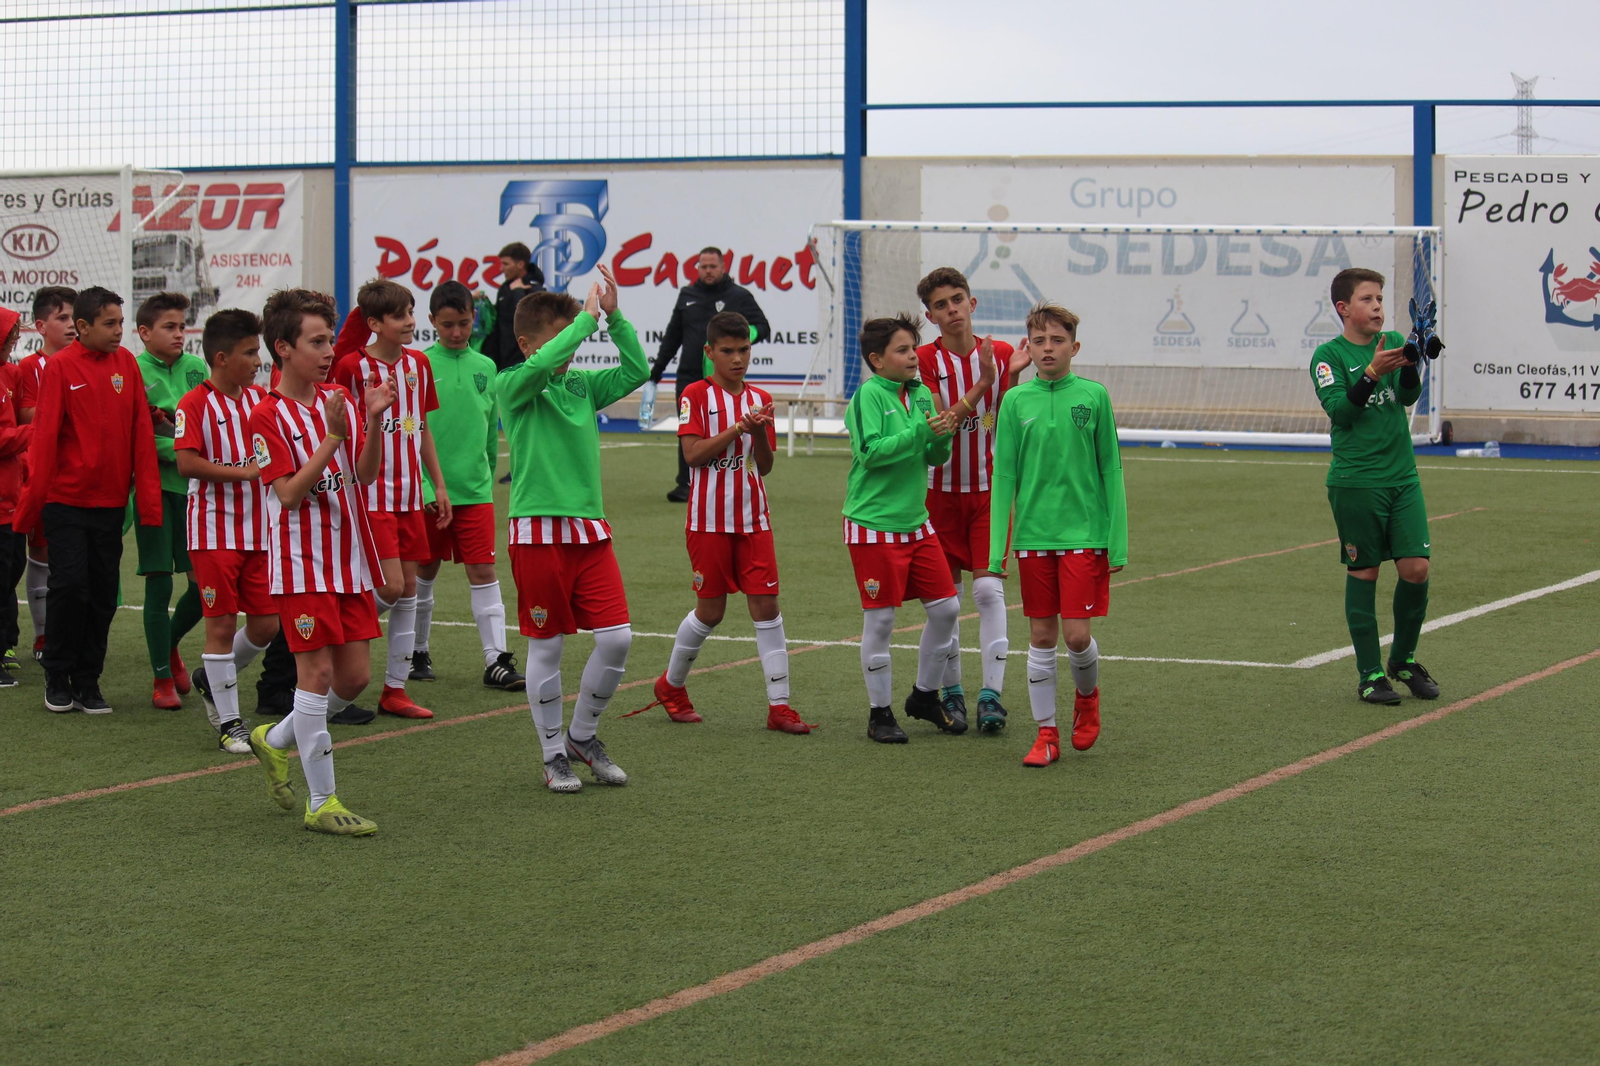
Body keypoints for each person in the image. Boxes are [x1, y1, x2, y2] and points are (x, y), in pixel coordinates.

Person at [246, 287, 395, 836]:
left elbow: (366, 474)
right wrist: (332, 438)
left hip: (349, 560)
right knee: (317, 674)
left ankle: (274, 738)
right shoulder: (266, 416)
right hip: (302, 563)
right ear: (283, 349)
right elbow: (287, 494)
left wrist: (372, 421)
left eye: (329, 339)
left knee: (353, 679)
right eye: (316, 341)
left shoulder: (341, 399)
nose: (329, 350)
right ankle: (322, 802)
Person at [497, 265, 641, 793]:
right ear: (526, 342)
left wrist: (615, 317)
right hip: (536, 532)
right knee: (547, 645)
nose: (571, 346)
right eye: (557, 337)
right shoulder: (511, 383)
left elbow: (636, 370)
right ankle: (552, 753)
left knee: (619, 639)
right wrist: (584, 322)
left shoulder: (581, 384)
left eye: (573, 335)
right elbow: (545, 363)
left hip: (589, 530)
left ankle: (583, 736)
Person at [633, 311, 811, 734]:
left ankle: (780, 707)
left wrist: (761, 432)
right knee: (711, 612)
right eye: (727, 351)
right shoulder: (696, 393)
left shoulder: (760, 397)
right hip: (708, 521)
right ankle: (671, 687)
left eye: (744, 350)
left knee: (767, 608)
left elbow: (763, 467)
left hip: (754, 520)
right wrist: (737, 429)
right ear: (709, 352)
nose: (737, 358)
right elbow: (693, 455)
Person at [989, 302, 1127, 768]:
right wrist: (996, 549)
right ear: (1028, 346)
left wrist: (1117, 540)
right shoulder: (1014, 401)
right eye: (1039, 340)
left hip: (1084, 535)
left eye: (1057, 340)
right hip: (1032, 536)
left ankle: (1087, 699)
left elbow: (1111, 468)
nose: (1048, 348)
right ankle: (1046, 734)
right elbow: (1004, 475)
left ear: (1075, 346)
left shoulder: (1094, 396)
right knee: (1042, 636)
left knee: (1076, 636)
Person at [13, 287, 162, 714]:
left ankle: (88, 679)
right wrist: (30, 506)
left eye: (120, 323)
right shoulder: (60, 367)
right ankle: (57, 675)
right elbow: (42, 439)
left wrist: (147, 500)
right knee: (70, 587)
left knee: (102, 593)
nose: (120, 331)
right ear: (83, 327)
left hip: (111, 503)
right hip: (65, 501)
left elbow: (140, 433)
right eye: (110, 324)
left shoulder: (126, 367)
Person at [1310, 267, 1438, 706]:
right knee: (1364, 570)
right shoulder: (1327, 356)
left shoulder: (1393, 340)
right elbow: (1342, 414)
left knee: (1416, 569)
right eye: (1368, 299)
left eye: (1380, 298)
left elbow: (1406, 397)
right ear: (1344, 308)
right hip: (1356, 481)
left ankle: (1403, 661)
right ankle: (1370, 675)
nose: (1378, 305)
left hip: (1402, 477)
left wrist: (1409, 363)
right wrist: (1369, 373)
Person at [915, 266, 1030, 735]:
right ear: (930, 315)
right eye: (941, 304)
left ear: (972, 303)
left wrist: (1010, 380)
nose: (952, 309)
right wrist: (985, 382)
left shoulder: (1002, 354)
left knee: (987, 590)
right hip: (936, 496)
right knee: (946, 601)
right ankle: (953, 694)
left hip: (987, 494)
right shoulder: (922, 361)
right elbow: (941, 422)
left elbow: (1002, 422)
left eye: (957, 299)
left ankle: (990, 696)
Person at [331, 279, 451, 720]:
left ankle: (394, 689)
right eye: (399, 315)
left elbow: (421, 429)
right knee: (391, 587)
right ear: (374, 323)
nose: (410, 322)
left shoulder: (418, 364)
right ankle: (339, 628)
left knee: (409, 593)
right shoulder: (350, 366)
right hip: (369, 495)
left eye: (410, 312)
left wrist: (436, 485)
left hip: (407, 495)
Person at [842, 313, 962, 744]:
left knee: (947, 608)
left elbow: (931, 457)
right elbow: (872, 453)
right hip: (873, 525)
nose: (913, 356)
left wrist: (942, 436)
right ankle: (879, 714)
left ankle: (924, 697)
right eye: (902, 349)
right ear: (877, 359)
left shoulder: (923, 394)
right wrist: (919, 431)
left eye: (913, 347)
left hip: (916, 523)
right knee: (881, 621)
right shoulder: (867, 397)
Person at [175, 308, 281, 753]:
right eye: (249, 352)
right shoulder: (194, 403)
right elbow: (186, 463)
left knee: (266, 626)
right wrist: (240, 474)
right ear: (221, 358)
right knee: (219, 624)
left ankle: (209, 678)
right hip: (214, 531)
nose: (258, 360)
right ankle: (230, 723)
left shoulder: (260, 401)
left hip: (259, 532)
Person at [410, 280, 524, 690]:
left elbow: (490, 429)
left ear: (474, 319)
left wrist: (488, 475)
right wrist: (424, 486)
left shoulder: (487, 368)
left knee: (484, 570)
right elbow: (411, 428)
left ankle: (495, 660)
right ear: (431, 323)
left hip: (474, 492)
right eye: (447, 325)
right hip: (428, 493)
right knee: (424, 571)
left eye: (462, 323)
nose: (456, 333)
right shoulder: (417, 366)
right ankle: (416, 651)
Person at [132, 292, 210, 709]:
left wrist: (184, 448)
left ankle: (169, 645)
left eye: (182, 326)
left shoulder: (198, 368)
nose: (180, 334)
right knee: (159, 585)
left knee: (202, 587)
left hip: (197, 492)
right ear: (144, 333)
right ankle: (161, 678)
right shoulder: (131, 371)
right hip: (156, 492)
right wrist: (182, 452)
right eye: (169, 327)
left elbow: (204, 426)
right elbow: (138, 438)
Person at [649, 247, 772, 503]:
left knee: (724, 429)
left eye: (712, 266)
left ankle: (730, 479)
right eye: (703, 266)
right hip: (689, 376)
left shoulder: (739, 296)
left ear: (723, 267)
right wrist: (655, 374)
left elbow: (763, 327)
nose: (707, 271)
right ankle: (686, 483)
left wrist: (741, 338)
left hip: (723, 378)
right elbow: (672, 337)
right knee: (690, 431)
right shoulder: (687, 296)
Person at [15, 284, 77, 662]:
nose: (71, 325)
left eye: (74, 317)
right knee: (40, 552)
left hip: (78, 476)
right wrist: (66, 408)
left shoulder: (88, 362)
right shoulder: (29, 367)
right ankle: (42, 637)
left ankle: (69, 632)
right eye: (63, 318)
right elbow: (24, 416)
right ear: (41, 325)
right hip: (41, 474)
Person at [0, 308, 30, 685]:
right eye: (9, 338)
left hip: (13, 496)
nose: (14, 343)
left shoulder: (12, 374)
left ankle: (7, 643)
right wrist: (40, 431)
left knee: (12, 572)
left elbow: (17, 424)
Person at [490, 242, 545, 373]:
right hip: (504, 361)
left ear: (520, 264)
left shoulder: (536, 289)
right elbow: (500, 321)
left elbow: (528, 319)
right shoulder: (505, 287)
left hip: (525, 361)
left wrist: (518, 292)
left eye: (505, 264)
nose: (501, 269)